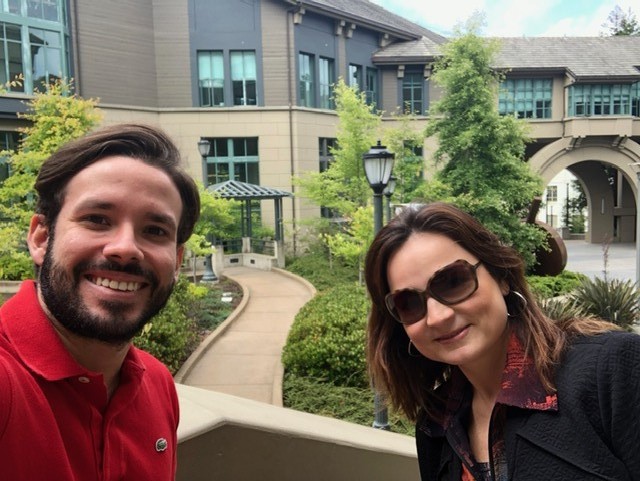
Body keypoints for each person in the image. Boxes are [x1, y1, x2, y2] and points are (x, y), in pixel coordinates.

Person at [364, 202, 640, 481]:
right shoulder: (436, 425)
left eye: (453, 281)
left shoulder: (612, 372)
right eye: (409, 303)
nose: (437, 317)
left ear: (502, 277)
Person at [0, 123, 200, 480]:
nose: (125, 248)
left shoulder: (156, 383)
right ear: (42, 238)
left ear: (178, 260)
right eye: (97, 219)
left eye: (155, 230)